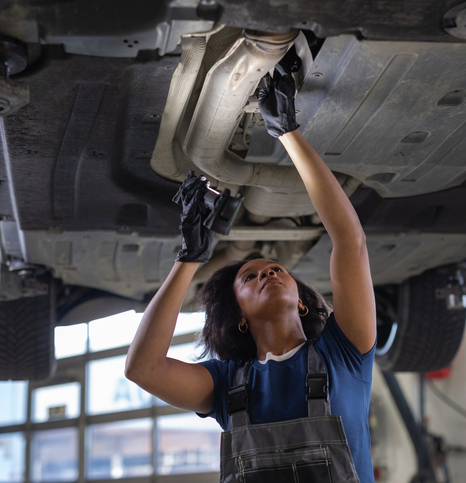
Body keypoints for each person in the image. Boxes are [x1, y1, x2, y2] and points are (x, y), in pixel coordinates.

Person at [125, 54, 376, 482]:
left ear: (300, 302)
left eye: (277, 269)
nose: (269, 274)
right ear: (237, 316)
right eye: (251, 276)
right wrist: (189, 259)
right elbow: (142, 369)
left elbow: (349, 241)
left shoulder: (344, 354)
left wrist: (288, 133)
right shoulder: (226, 386)